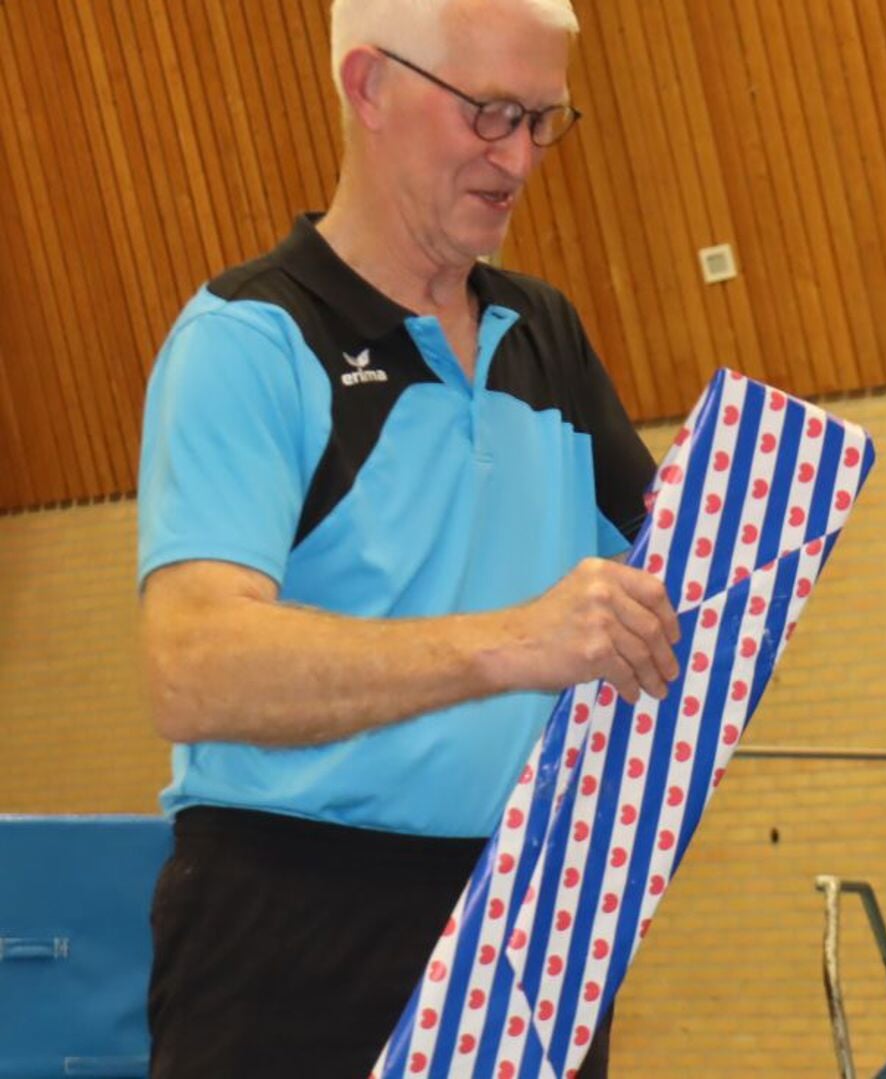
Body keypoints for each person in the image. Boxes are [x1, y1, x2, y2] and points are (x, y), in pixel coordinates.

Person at [136, 1, 679, 1074]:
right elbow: (192, 668)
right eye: (487, 113)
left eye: (541, 119)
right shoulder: (250, 339)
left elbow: (671, 594)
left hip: (532, 918)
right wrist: (514, 643)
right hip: (295, 924)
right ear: (367, 86)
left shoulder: (547, 336)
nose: (518, 156)